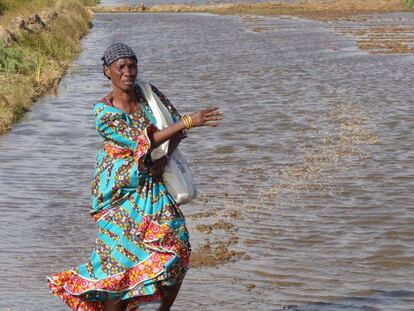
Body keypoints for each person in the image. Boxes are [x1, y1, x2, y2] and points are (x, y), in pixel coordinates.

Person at [46, 42, 223, 311]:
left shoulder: (149, 95)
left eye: (132, 65)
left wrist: (164, 158)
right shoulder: (103, 112)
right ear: (108, 72)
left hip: (152, 184)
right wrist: (188, 120)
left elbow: (172, 129)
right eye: (121, 67)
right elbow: (144, 140)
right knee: (119, 264)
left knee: (179, 246)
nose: (128, 72)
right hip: (117, 191)